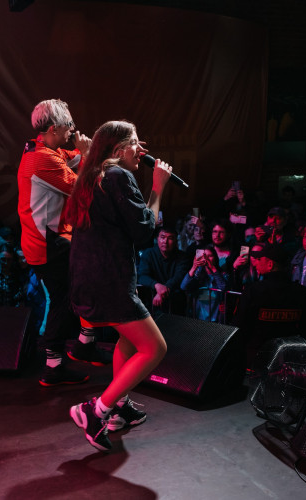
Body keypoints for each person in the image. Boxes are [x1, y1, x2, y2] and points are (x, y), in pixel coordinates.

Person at [67, 120, 172, 452]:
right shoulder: (118, 177)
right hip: (109, 282)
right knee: (154, 348)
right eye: (136, 143)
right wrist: (158, 188)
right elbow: (144, 231)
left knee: (128, 339)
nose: (141, 150)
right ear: (119, 149)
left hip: (92, 279)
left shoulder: (92, 175)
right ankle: (97, 410)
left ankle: (119, 408)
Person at [17, 99, 110, 387]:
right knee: (63, 301)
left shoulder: (46, 149)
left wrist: (101, 150)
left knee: (83, 286)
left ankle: (83, 345)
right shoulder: (41, 159)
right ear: (54, 129)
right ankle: (55, 365)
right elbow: (84, 188)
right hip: (48, 244)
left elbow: (78, 159)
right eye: (69, 124)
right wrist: (88, 154)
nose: (73, 129)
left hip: (53, 240)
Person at [234, 243, 306, 369]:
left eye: (260, 260)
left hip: (257, 355)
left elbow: (241, 324)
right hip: (288, 358)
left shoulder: (253, 291)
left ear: (270, 265)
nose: (257, 263)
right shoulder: (301, 292)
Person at [137, 225, 191, 315]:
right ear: (157, 239)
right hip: (152, 302)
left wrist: (163, 291)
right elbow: (142, 276)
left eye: (170, 238)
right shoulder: (149, 253)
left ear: (175, 240)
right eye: (162, 237)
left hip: (176, 303)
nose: (165, 241)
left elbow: (179, 277)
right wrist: (156, 285)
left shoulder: (182, 257)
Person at [181, 244, 229, 322]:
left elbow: (224, 287)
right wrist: (194, 267)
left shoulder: (223, 274)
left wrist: (213, 268)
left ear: (215, 258)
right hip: (198, 316)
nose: (206, 259)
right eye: (204, 256)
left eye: (210, 256)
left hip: (215, 316)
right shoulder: (198, 274)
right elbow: (183, 286)